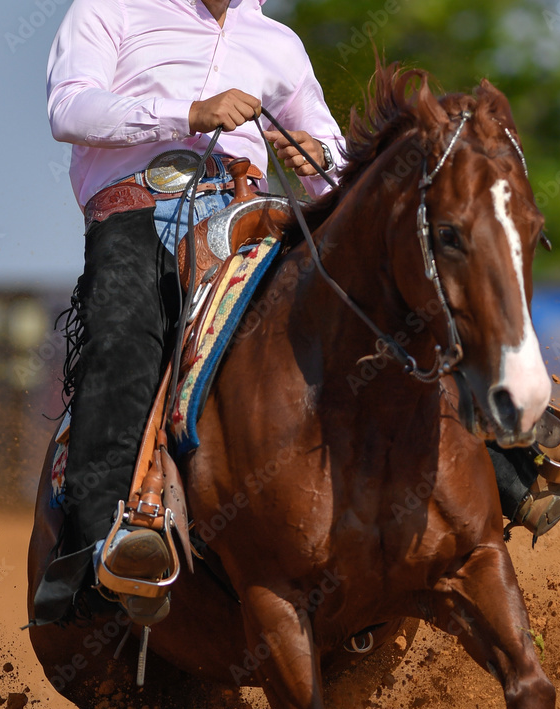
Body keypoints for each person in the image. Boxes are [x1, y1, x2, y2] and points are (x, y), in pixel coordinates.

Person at [40, 0, 344, 624]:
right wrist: (188, 114)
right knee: (124, 340)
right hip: (138, 213)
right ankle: (98, 548)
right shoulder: (109, 9)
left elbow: (334, 164)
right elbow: (69, 109)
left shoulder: (278, 43)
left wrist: (317, 155)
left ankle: (499, 466)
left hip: (252, 219)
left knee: (350, 311)